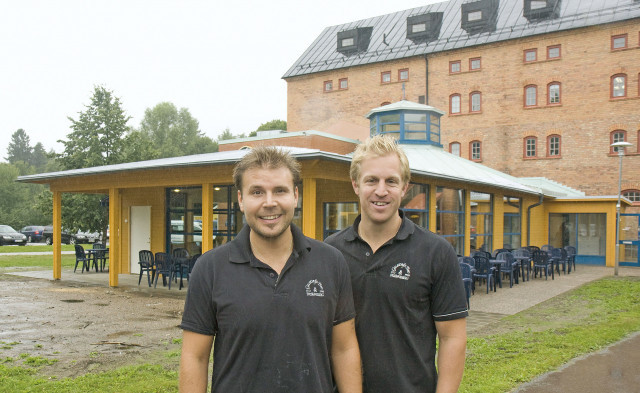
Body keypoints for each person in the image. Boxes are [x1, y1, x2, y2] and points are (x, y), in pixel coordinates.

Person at [179, 146, 362, 393]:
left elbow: (344, 349)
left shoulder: (331, 262)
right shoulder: (209, 269)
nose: (269, 202)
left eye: (280, 190)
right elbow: (195, 358)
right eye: (257, 192)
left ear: (295, 196)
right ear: (241, 200)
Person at [325, 135, 468, 393]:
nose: (381, 191)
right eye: (371, 180)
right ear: (356, 184)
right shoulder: (331, 252)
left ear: (405, 188)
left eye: (391, 181)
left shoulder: (436, 252)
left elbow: (452, 338)